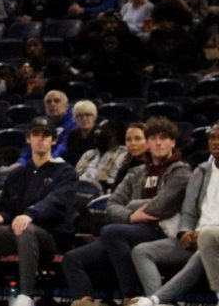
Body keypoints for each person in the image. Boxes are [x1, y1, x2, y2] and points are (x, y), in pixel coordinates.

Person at [61, 117, 191, 306]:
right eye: (153, 138)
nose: (158, 142)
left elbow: (160, 207)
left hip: (161, 231)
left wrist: (130, 208)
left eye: (164, 138)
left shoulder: (181, 171)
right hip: (131, 230)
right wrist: (131, 215)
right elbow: (112, 205)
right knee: (72, 259)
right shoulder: (136, 172)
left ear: (173, 142)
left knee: (112, 232)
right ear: (148, 142)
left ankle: (132, 296)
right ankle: (86, 302)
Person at [0, 117, 78, 306]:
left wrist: (30, 214)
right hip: (19, 232)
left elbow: (56, 203)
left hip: (51, 236)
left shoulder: (65, 172)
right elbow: (7, 207)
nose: (41, 139)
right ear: (28, 139)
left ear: (54, 140)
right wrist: (0, 215)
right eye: (36, 134)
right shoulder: (17, 174)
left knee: (26, 228)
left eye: (46, 135)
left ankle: (27, 295)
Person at [130, 122, 219, 306]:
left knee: (207, 241)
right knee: (142, 251)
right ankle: (158, 301)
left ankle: (155, 300)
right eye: (212, 137)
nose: (215, 142)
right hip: (195, 236)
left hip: (213, 238)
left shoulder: (182, 170)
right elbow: (188, 210)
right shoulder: (201, 171)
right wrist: (185, 231)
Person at [63, 101, 98, 166]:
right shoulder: (72, 135)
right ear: (75, 118)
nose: (84, 119)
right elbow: (70, 160)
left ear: (94, 117)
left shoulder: (101, 134)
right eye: (80, 116)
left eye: (88, 115)